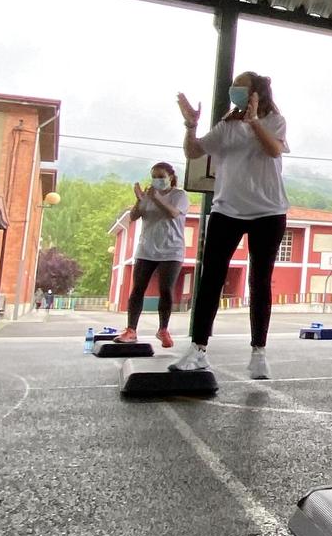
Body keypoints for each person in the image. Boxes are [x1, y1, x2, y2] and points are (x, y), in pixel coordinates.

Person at [174, 72, 288, 379]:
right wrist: (190, 125)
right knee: (211, 278)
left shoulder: (275, 121)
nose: (234, 89)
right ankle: (198, 349)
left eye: (241, 85)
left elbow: (274, 149)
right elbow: (194, 151)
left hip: (268, 212)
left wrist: (253, 123)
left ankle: (259, 353)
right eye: (234, 85)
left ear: (257, 93)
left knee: (259, 281)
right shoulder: (226, 126)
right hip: (227, 210)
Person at [120, 163, 190, 348]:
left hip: (171, 250)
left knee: (166, 290)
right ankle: (131, 330)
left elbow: (173, 213)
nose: (157, 180)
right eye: (154, 176)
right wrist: (139, 200)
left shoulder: (179, 195)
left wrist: (156, 198)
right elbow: (134, 216)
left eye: (161, 176)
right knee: (138, 289)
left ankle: (163, 330)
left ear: (170, 177)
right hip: (146, 249)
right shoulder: (148, 195)